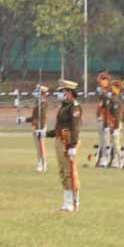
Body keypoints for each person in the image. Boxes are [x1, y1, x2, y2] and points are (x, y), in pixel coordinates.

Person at [51, 79, 82, 212]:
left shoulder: (74, 106)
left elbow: (75, 127)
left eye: (63, 91)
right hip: (59, 140)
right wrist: (47, 133)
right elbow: (59, 126)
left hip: (68, 141)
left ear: (70, 93)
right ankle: (66, 201)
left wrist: (73, 146)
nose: (60, 94)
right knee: (63, 172)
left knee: (70, 172)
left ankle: (74, 202)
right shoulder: (64, 106)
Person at [20, 84, 49, 172]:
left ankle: (43, 164)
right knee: (38, 147)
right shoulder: (38, 103)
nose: (36, 93)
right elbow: (34, 117)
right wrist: (24, 119)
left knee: (41, 147)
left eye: (38, 91)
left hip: (40, 127)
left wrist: (41, 129)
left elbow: (43, 118)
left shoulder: (43, 104)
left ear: (42, 94)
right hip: (36, 126)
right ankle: (40, 163)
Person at [94, 72, 112, 168]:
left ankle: (107, 159)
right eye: (101, 79)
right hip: (100, 118)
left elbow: (108, 109)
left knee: (106, 140)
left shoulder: (108, 93)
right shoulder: (101, 93)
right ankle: (101, 158)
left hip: (106, 119)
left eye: (103, 79)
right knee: (101, 140)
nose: (101, 81)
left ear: (107, 81)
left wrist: (106, 122)